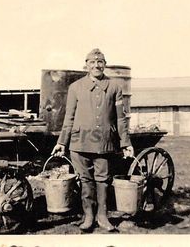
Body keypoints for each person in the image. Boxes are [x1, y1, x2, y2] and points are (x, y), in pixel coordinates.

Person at [51, 48, 134, 232]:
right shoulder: (75, 87)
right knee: (85, 181)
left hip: (104, 143)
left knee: (103, 180)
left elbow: (121, 118)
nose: (96, 65)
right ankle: (88, 216)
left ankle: (102, 217)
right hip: (79, 143)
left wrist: (126, 143)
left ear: (104, 64)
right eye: (92, 63)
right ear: (86, 66)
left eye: (100, 62)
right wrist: (62, 142)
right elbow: (69, 117)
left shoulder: (114, 87)